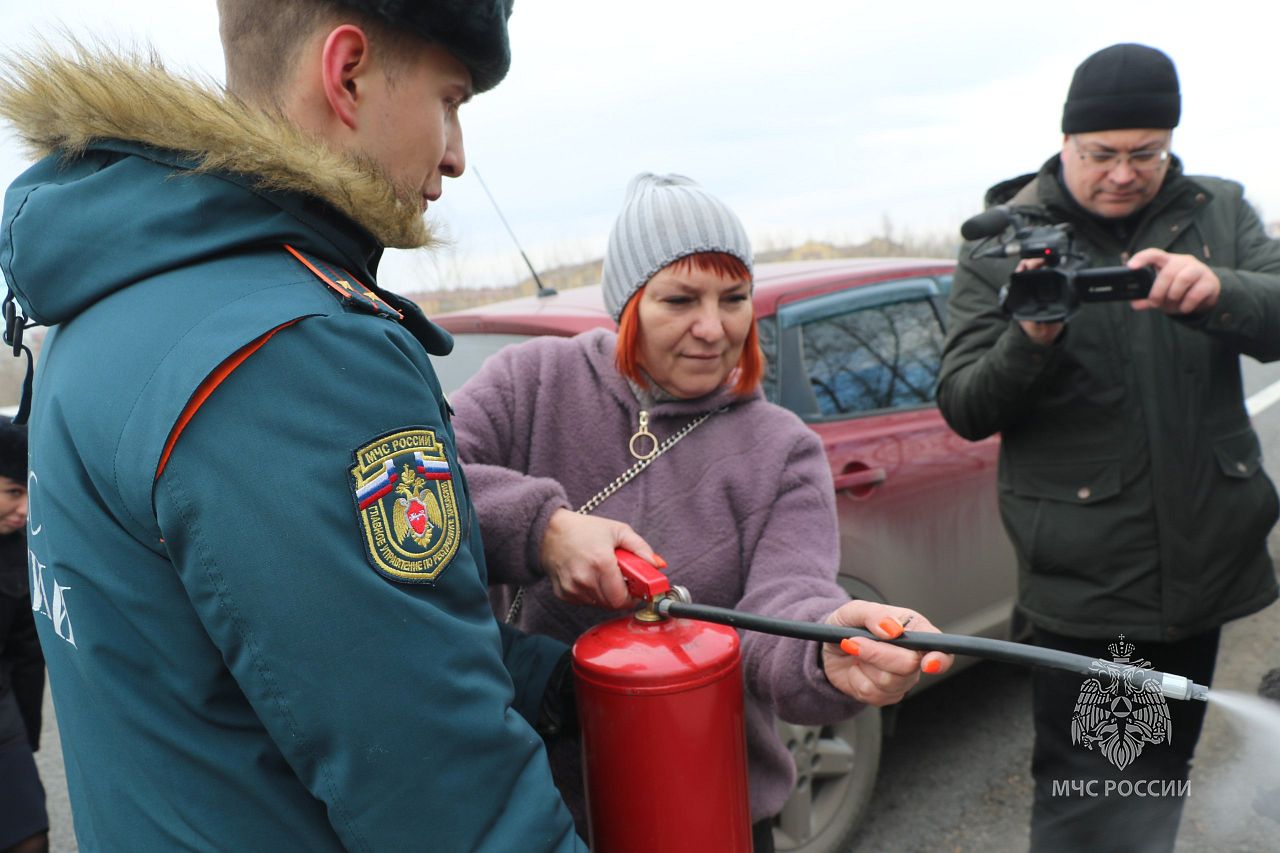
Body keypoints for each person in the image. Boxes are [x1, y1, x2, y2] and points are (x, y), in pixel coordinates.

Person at [0, 2, 597, 849]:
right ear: (346, 72)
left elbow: (230, 663)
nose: (458, 155)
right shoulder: (299, 354)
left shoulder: (110, 297)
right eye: (451, 100)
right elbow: (452, 799)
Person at [450, 172, 955, 850]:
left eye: (734, 298)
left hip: (706, 804)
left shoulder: (781, 449)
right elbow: (418, 490)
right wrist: (544, 530)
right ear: (628, 302)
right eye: (680, 299)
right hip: (537, 801)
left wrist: (828, 650)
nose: (713, 329)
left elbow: (786, 601)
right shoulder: (531, 381)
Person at [937, 43, 1280, 853]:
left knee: (1157, 780)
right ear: (1066, 145)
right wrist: (1032, 336)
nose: (1125, 172)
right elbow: (965, 405)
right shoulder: (1002, 238)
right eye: (1103, 154)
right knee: (1093, 803)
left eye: (1146, 152)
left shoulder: (1218, 210)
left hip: (1201, 574)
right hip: (1090, 592)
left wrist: (1217, 289)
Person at [0, 417, 47, 853]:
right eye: (13, 491)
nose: (25, 509)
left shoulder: (21, 553)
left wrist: (26, 737)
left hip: (3, 718)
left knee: (29, 836)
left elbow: (27, 651)